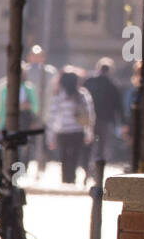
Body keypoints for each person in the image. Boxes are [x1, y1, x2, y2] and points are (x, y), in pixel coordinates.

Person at [46, 68, 94, 185]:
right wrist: (89, 132)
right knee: (75, 156)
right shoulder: (82, 95)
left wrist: (50, 137)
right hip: (77, 131)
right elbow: (89, 114)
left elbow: (52, 116)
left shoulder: (58, 95)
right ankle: (72, 178)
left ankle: (66, 178)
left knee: (64, 156)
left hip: (62, 131)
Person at [24, 44, 58, 177]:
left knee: (43, 142)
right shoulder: (25, 70)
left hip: (45, 112)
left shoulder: (50, 72)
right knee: (26, 141)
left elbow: (54, 91)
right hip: (29, 112)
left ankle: (41, 166)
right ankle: (25, 166)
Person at [83, 57, 124, 165]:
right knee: (102, 147)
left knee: (88, 144)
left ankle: (88, 168)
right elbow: (119, 105)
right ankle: (98, 171)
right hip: (105, 120)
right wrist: (121, 122)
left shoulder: (89, 81)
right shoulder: (113, 85)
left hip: (89, 118)